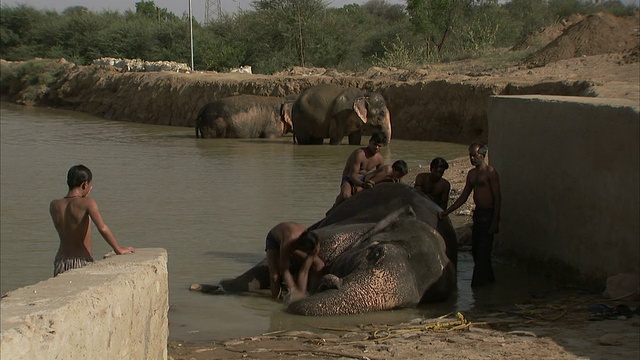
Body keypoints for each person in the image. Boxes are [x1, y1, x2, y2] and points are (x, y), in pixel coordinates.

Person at [49, 165, 135, 277]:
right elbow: (102, 228)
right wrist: (118, 249)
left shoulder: (54, 205)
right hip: (80, 260)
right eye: (90, 185)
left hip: (61, 261)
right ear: (84, 184)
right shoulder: (87, 203)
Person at [438, 144, 501, 287]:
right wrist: (446, 212)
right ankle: (490, 283)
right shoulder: (471, 174)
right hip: (478, 214)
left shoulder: (490, 173)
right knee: (477, 251)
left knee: (483, 251)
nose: (471, 158)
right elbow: (464, 196)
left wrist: (495, 220)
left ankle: (477, 287)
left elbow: (497, 197)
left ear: (482, 155)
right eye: (470, 155)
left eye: (474, 155)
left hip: (488, 214)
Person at [265, 222, 325, 300]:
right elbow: (284, 269)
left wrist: (301, 294)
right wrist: (293, 290)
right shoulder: (288, 242)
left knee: (319, 264)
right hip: (274, 240)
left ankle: (313, 292)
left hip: (297, 241)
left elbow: (304, 271)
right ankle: (275, 300)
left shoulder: (314, 243)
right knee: (274, 275)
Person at [332, 132, 388, 208]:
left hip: (365, 178)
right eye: (374, 144)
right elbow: (352, 175)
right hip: (349, 179)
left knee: (386, 169)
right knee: (346, 196)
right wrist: (363, 185)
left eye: (379, 146)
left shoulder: (380, 158)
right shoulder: (360, 154)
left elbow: (380, 174)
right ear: (370, 142)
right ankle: (334, 207)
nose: (376, 147)